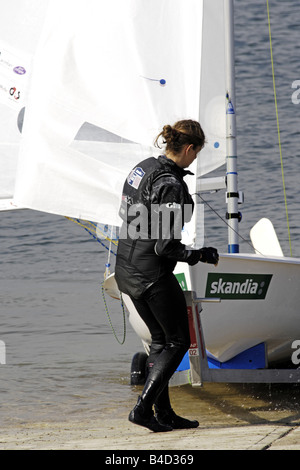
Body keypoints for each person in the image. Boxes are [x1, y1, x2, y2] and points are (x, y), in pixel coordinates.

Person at [115, 120, 219, 432]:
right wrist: (200, 255)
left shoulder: (143, 168)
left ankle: (165, 414)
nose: (194, 160)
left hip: (126, 268)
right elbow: (166, 247)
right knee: (178, 341)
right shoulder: (170, 186)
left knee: (160, 341)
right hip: (151, 274)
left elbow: (130, 217)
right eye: (196, 154)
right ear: (189, 149)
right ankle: (143, 409)